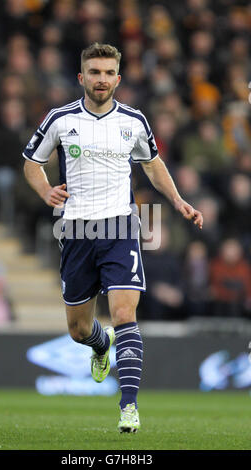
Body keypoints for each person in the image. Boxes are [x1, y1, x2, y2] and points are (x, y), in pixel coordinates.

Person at [22, 43, 203, 433]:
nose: (101, 79)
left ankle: (129, 407)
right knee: (78, 329)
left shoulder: (134, 121)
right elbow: (32, 162)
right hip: (76, 230)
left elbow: (153, 164)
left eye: (108, 73)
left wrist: (177, 200)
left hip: (120, 227)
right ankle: (100, 346)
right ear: (81, 77)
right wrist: (44, 191)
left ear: (118, 79)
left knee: (124, 315)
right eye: (94, 72)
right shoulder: (60, 118)